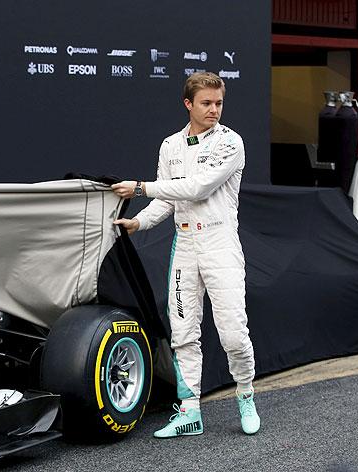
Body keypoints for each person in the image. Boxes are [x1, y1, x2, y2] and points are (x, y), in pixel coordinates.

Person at [112, 72, 260, 437]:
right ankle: (190, 410)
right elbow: (167, 200)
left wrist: (141, 187)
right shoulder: (169, 146)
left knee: (233, 334)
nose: (214, 110)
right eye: (206, 103)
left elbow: (197, 187)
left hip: (220, 244)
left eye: (219, 103)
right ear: (188, 104)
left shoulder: (231, 142)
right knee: (182, 333)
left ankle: (245, 393)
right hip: (185, 245)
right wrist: (139, 223)